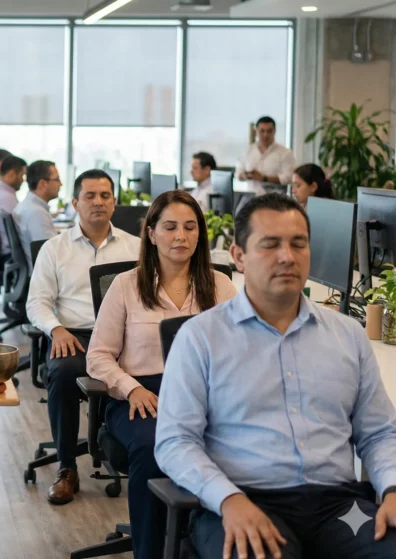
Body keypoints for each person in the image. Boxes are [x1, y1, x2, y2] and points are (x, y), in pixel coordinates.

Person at [155, 193, 396, 559]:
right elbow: (175, 441)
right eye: (270, 245)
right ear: (238, 256)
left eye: (298, 243)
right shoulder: (201, 337)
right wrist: (228, 499)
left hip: (337, 507)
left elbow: (378, 432)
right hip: (244, 499)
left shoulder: (347, 334)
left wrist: (392, 489)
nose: (287, 256)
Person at [86, 190, 236, 559]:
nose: (180, 236)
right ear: (150, 233)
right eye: (169, 227)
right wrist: (130, 388)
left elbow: (245, 352)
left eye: (189, 227)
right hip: (142, 396)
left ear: (200, 234)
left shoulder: (221, 286)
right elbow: (98, 357)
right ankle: (150, 551)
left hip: (205, 395)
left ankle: (206, 542)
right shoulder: (126, 285)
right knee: (157, 448)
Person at [25, 169, 141, 506]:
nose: (98, 202)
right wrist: (56, 329)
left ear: (115, 203)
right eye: (90, 196)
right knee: (61, 372)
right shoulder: (54, 248)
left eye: (105, 195)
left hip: (123, 337)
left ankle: (129, 454)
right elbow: (37, 302)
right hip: (73, 335)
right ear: (75, 203)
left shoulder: (136, 249)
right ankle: (67, 468)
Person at [238, 116, 296, 194]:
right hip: (251, 198)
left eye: (269, 131)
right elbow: (238, 173)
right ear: (256, 132)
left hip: (275, 200)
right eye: (262, 131)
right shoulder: (248, 151)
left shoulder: (285, 153)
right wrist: (245, 175)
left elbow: (289, 178)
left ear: (274, 131)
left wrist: (264, 178)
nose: (265, 135)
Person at [14, 160, 61, 246]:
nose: (61, 184)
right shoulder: (37, 213)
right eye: (57, 179)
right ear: (43, 184)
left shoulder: (28, 206)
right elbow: (51, 255)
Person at [0, 155, 27, 254]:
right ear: (11, 174)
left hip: (1, 248)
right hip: (10, 251)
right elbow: (21, 229)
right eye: (22, 175)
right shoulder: (7, 198)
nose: (23, 180)